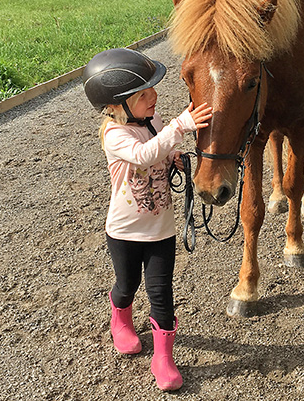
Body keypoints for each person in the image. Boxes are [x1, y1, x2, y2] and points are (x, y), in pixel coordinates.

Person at [82, 48, 212, 391]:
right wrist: (179, 126)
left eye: (152, 90)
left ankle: (163, 359)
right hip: (124, 232)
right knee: (127, 286)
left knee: (161, 294)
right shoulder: (114, 135)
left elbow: (158, 149)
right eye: (144, 94)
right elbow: (141, 154)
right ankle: (120, 319)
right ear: (116, 106)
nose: (154, 97)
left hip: (159, 231)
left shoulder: (151, 123)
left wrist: (175, 158)